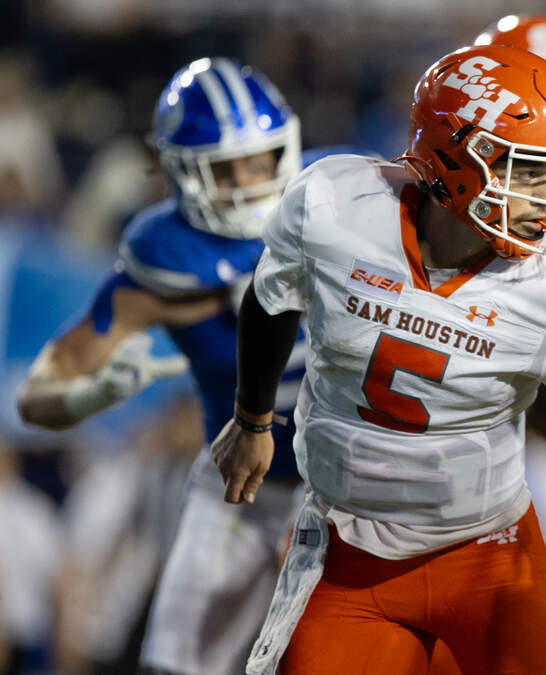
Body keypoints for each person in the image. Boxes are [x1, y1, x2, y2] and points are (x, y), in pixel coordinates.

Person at [212, 45, 546, 674]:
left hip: (488, 552)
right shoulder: (336, 206)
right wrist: (253, 419)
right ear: (452, 157)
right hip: (347, 551)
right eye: (530, 170)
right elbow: (270, 298)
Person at [17, 57, 309, 675]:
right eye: (223, 169)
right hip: (241, 497)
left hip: (352, 490)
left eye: (260, 159)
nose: (250, 181)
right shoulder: (162, 264)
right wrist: (88, 397)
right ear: (179, 172)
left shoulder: (338, 211)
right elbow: (39, 396)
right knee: (177, 667)